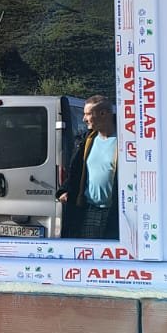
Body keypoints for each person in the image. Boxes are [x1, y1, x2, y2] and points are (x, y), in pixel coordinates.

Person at [58, 95, 119, 240]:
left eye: (88, 114)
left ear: (103, 114)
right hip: (89, 210)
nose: (84, 119)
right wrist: (66, 190)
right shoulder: (86, 141)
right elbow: (76, 172)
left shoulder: (127, 142)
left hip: (116, 214)